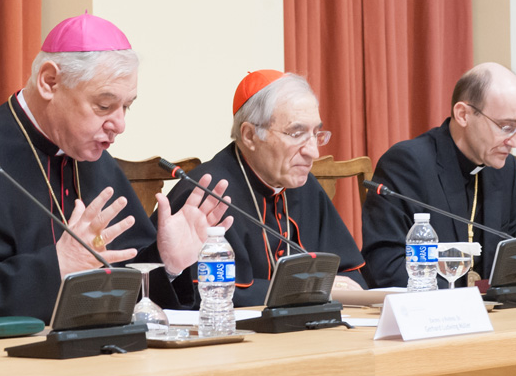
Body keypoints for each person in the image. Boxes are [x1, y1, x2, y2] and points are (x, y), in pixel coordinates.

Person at [0, 13, 232, 335]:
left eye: (126, 107)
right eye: (104, 105)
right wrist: (56, 267)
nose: (119, 124)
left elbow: (126, 298)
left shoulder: (96, 165)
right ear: (49, 82)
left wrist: (167, 262)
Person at [154, 70, 366, 310]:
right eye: (297, 134)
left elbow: (351, 279)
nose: (313, 152)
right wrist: (309, 289)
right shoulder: (207, 194)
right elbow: (205, 295)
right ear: (250, 136)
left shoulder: (304, 186)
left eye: (315, 134)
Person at [360, 62, 516, 288]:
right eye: (506, 127)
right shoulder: (407, 164)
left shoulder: (505, 168)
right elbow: (386, 266)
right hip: (432, 314)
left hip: (495, 315)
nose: (515, 142)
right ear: (463, 114)